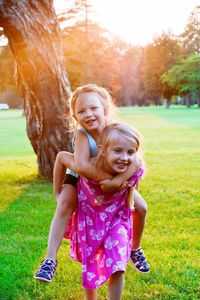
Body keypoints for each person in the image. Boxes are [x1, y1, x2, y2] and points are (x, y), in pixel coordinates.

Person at [33, 84, 149, 283]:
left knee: (141, 208)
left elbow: (137, 160)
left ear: (105, 108)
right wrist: (59, 192)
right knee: (64, 205)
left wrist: (118, 181)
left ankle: (135, 248)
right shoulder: (82, 135)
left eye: (93, 108)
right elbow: (82, 167)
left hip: (112, 179)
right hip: (80, 176)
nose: (88, 114)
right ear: (75, 116)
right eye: (81, 111)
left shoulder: (114, 130)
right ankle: (49, 260)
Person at [69, 123, 145, 300]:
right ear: (103, 150)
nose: (124, 158)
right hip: (90, 220)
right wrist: (58, 191)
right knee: (90, 265)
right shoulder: (91, 168)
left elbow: (132, 191)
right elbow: (63, 158)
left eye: (130, 152)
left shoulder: (133, 170)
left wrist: (126, 175)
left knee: (118, 266)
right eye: (118, 151)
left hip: (117, 220)